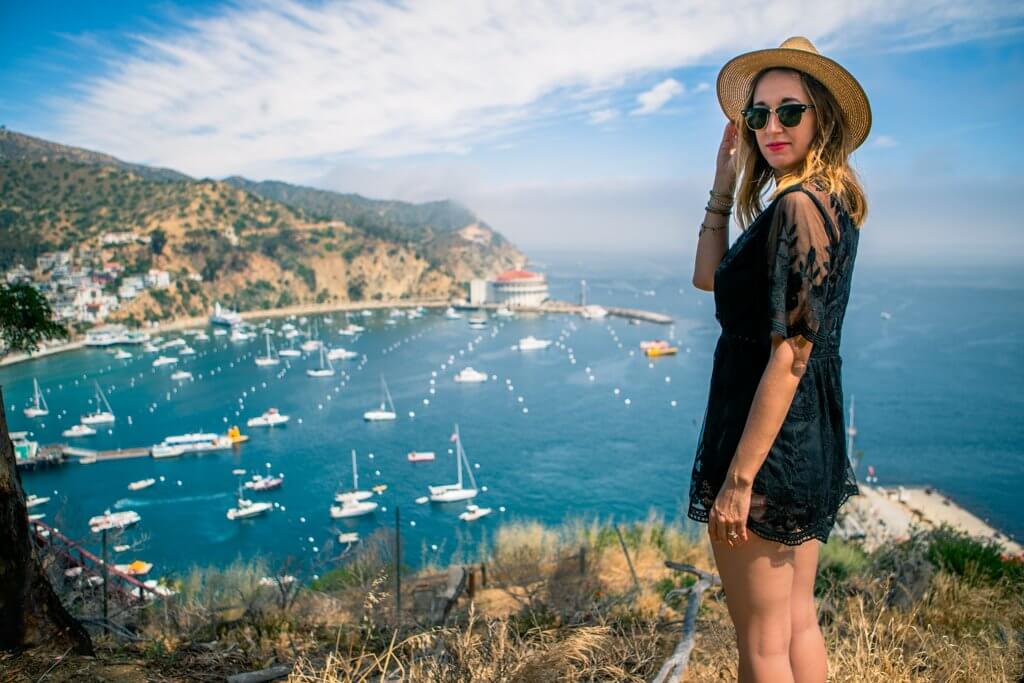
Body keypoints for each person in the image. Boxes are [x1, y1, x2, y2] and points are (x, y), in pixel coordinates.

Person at [688, 36, 870, 682]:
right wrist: (722, 186)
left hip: (765, 442)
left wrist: (738, 480)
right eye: (758, 114)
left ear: (821, 115)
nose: (770, 126)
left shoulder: (796, 206)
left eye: (789, 111)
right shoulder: (828, 202)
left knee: (761, 646)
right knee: (795, 623)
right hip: (809, 437)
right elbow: (708, 277)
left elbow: (790, 355)